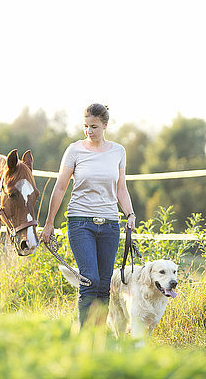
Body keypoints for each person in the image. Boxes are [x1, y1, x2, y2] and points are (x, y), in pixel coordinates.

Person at [40, 103, 136, 327]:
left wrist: (129, 213)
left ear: (105, 125)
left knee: (104, 284)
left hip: (110, 224)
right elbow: (61, 187)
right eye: (85, 126)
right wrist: (49, 222)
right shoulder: (75, 150)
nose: (89, 131)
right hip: (80, 222)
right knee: (89, 278)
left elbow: (121, 188)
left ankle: (99, 338)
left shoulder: (118, 151)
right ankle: (84, 336)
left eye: (94, 126)